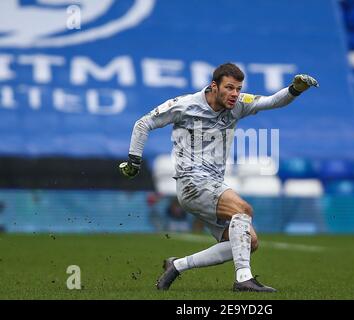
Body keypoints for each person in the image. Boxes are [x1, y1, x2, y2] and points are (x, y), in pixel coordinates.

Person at [119, 63, 318, 292]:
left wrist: (295, 89)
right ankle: (243, 279)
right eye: (230, 88)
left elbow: (271, 101)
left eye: (238, 88)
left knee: (248, 242)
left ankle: (177, 266)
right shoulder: (185, 105)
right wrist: (134, 161)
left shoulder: (238, 104)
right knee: (243, 210)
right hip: (192, 182)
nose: (235, 94)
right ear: (214, 86)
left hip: (213, 184)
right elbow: (144, 123)